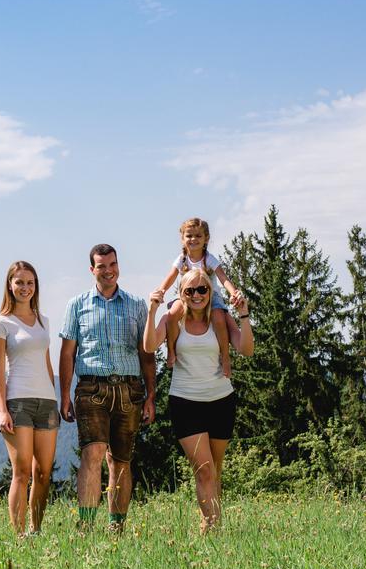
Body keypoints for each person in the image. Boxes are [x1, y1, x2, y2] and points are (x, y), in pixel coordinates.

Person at [144, 268, 253, 532]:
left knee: (215, 470)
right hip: (185, 402)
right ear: (181, 294)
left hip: (221, 400)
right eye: (189, 290)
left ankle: (215, 530)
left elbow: (246, 350)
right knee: (203, 470)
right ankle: (211, 529)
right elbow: (149, 345)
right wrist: (152, 311)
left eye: (202, 289)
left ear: (210, 292)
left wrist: (244, 315)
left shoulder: (220, 319)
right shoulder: (174, 320)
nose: (196, 295)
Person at [59, 244, 156, 533]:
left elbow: (146, 354)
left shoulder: (136, 305)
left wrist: (151, 396)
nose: (108, 270)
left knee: (121, 461)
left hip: (130, 389)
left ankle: (117, 528)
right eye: (101, 266)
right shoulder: (77, 305)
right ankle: (86, 526)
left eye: (112, 264)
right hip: (91, 389)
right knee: (93, 453)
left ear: (118, 266)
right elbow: (67, 353)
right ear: (92, 270)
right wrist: (64, 394)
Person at [0, 261, 59, 536]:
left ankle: (35, 530)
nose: (25, 288)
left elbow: (47, 363)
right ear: (10, 285)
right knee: (22, 473)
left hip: (47, 402)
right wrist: (2, 410)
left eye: (30, 283)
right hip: (18, 403)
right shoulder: (1, 322)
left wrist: (57, 397)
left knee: (43, 473)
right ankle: (18, 537)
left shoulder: (44, 321)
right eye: (19, 282)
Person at [155, 218, 245, 377]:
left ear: (206, 239)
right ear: (182, 239)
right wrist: (161, 290)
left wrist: (233, 292)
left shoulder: (209, 259)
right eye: (189, 236)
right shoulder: (181, 259)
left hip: (211, 296)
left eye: (198, 236)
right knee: (172, 314)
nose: (193, 239)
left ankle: (225, 356)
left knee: (218, 317)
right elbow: (171, 276)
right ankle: (171, 349)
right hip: (187, 295)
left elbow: (223, 278)